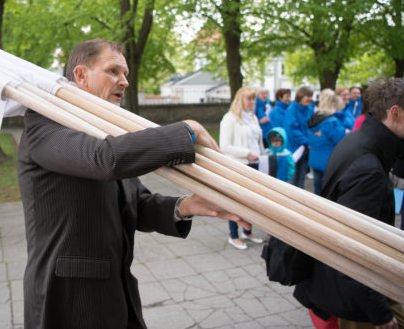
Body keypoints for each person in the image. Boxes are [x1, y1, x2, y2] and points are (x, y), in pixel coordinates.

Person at [18, 38, 249, 329]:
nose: (124, 81)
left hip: (118, 294)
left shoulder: (107, 129)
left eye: (125, 73)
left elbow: (137, 203)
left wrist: (188, 205)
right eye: (113, 71)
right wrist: (186, 130)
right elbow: (105, 160)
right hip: (69, 301)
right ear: (80, 76)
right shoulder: (45, 124)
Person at [294, 77, 404, 329]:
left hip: (350, 290)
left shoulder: (357, 141)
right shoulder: (368, 169)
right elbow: (352, 251)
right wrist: (381, 314)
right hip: (358, 301)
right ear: (395, 113)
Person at [219, 86, 265, 250]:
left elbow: (257, 141)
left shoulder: (253, 117)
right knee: (236, 202)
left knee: (251, 202)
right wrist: (246, 153)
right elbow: (224, 146)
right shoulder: (229, 118)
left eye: (254, 99)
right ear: (240, 100)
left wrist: (262, 153)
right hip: (239, 166)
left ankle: (248, 231)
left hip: (255, 165)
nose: (252, 102)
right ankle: (234, 235)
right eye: (249, 99)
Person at [307, 89, 347, 194]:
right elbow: (341, 140)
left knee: (317, 190)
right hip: (328, 162)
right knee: (328, 193)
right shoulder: (331, 122)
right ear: (334, 103)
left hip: (315, 160)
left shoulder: (314, 118)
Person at [284, 86, 314, 188]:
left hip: (305, 150)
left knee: (301, 179)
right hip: (295, 149)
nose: (310, 99)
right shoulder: (291, 110)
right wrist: (307, 142)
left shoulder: (309, 109)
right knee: (293, 179)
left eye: (311, 96)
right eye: (308, 96)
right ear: (300, 96)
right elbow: (292, 130)